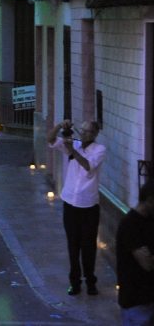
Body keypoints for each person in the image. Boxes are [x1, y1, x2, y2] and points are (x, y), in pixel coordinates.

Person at [47, 119, 106, 295]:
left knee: (88, 245)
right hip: (70, 203)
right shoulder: (73, 145)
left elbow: (88, 166)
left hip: (89, 205)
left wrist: (72, 149)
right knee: (73, 245)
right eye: (82, 130)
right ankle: (75, 282)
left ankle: (90, 281)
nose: (84, 134)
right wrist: (59, 126)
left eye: (88, 131)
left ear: (95, 134)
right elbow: (50, 139)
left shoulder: (99, 149)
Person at [116, 180, 154, 325]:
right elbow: (147, 263)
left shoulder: (150, 220)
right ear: (150, 200)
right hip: (137, 302)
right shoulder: (130, 225)